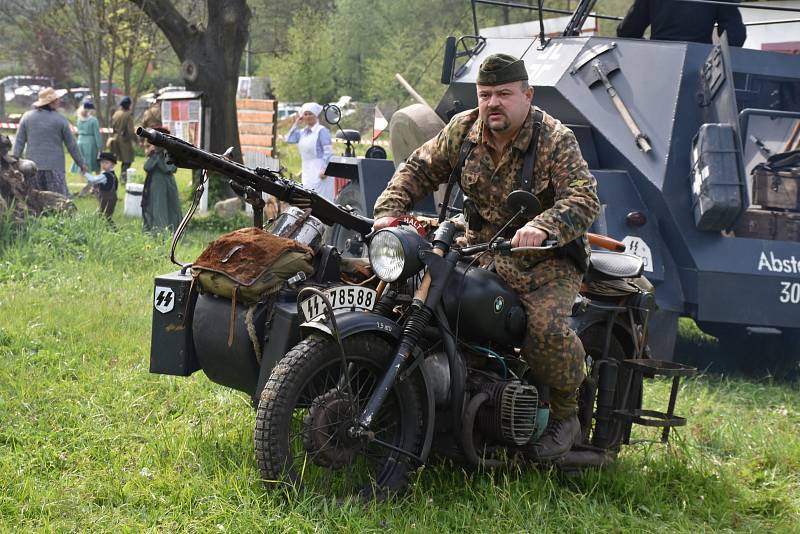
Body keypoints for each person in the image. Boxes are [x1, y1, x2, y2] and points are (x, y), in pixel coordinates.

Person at [372, 53, 600, 462]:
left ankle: (567, 413)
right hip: (479, 246)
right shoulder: (463, 130)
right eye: (485, 94)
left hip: (545, 260)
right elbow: (418, 168)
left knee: (543, 331)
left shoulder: (554, 139)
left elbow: (584, 198)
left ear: (527, 95)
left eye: (504, 94)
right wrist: (389, 210)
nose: (493, 103)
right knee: (411, 295)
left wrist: (544, 226)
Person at [12, 87, 87, 196]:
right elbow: (72, 145)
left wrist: (14, 161)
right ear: (51, 102)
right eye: (57, 100)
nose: (59, 101)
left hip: (32, 167)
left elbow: (19, 141)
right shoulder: (61, 119)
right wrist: (81, 163)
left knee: (35, 199)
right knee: (59, 200)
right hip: (55, 168)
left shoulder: (27, 117)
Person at [617, 0, 746, 47]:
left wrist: (647, 47)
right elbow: (735, 37)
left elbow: (627, 31)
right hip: (701, 64)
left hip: (658, 59)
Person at [286, 102, 334, 201]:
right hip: (307, 172)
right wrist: (296, 124)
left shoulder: (321, 131)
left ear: (315, 115)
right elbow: (289, 139)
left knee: (322, 201)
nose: (307, 116)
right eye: (305, 114)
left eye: (310, 114)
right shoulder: (302, 132)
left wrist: (325, 169)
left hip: (320, 171)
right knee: (307, 199)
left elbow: (328, 152)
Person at [141, 126, 182, 233]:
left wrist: (161, 154)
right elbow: (147, 167)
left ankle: (171, 232)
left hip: (167, 183)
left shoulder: (169, 153)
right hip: (156, 183)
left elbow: (170, 168)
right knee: (157, 208)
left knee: (170, 207)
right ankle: (158, 231)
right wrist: (155, 154)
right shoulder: (155, 154)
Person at [85, 152, 119, 224]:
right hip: (111, 199)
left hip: (106, 200)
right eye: (102, 162)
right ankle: (109, 231)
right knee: (104, 216)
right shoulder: (113, 175)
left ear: (113, 165)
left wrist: (85, 173)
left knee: (105, 217)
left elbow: (93, 179)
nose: (103, 165)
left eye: (106, 163)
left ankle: (115, 232)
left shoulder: (105, 175)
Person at [72, 100, 103, 174]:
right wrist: (100, 145)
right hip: (90, 142)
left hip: (80, 141)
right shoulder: (93, 120)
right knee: (92, 161)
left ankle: (82, 178)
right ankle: (93, 178)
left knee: (82, 160)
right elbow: (96, 134)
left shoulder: (79, 119)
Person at [110, 95, 135, 181]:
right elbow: (131, 131)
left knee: (116, 160)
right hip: (125, 140)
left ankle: (116, 177)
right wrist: (136, 140)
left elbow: (112, 127)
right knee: (127, 161)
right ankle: (123, 178)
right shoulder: (128, 115)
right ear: (128, 105)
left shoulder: (116, 114)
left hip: (116, 138)